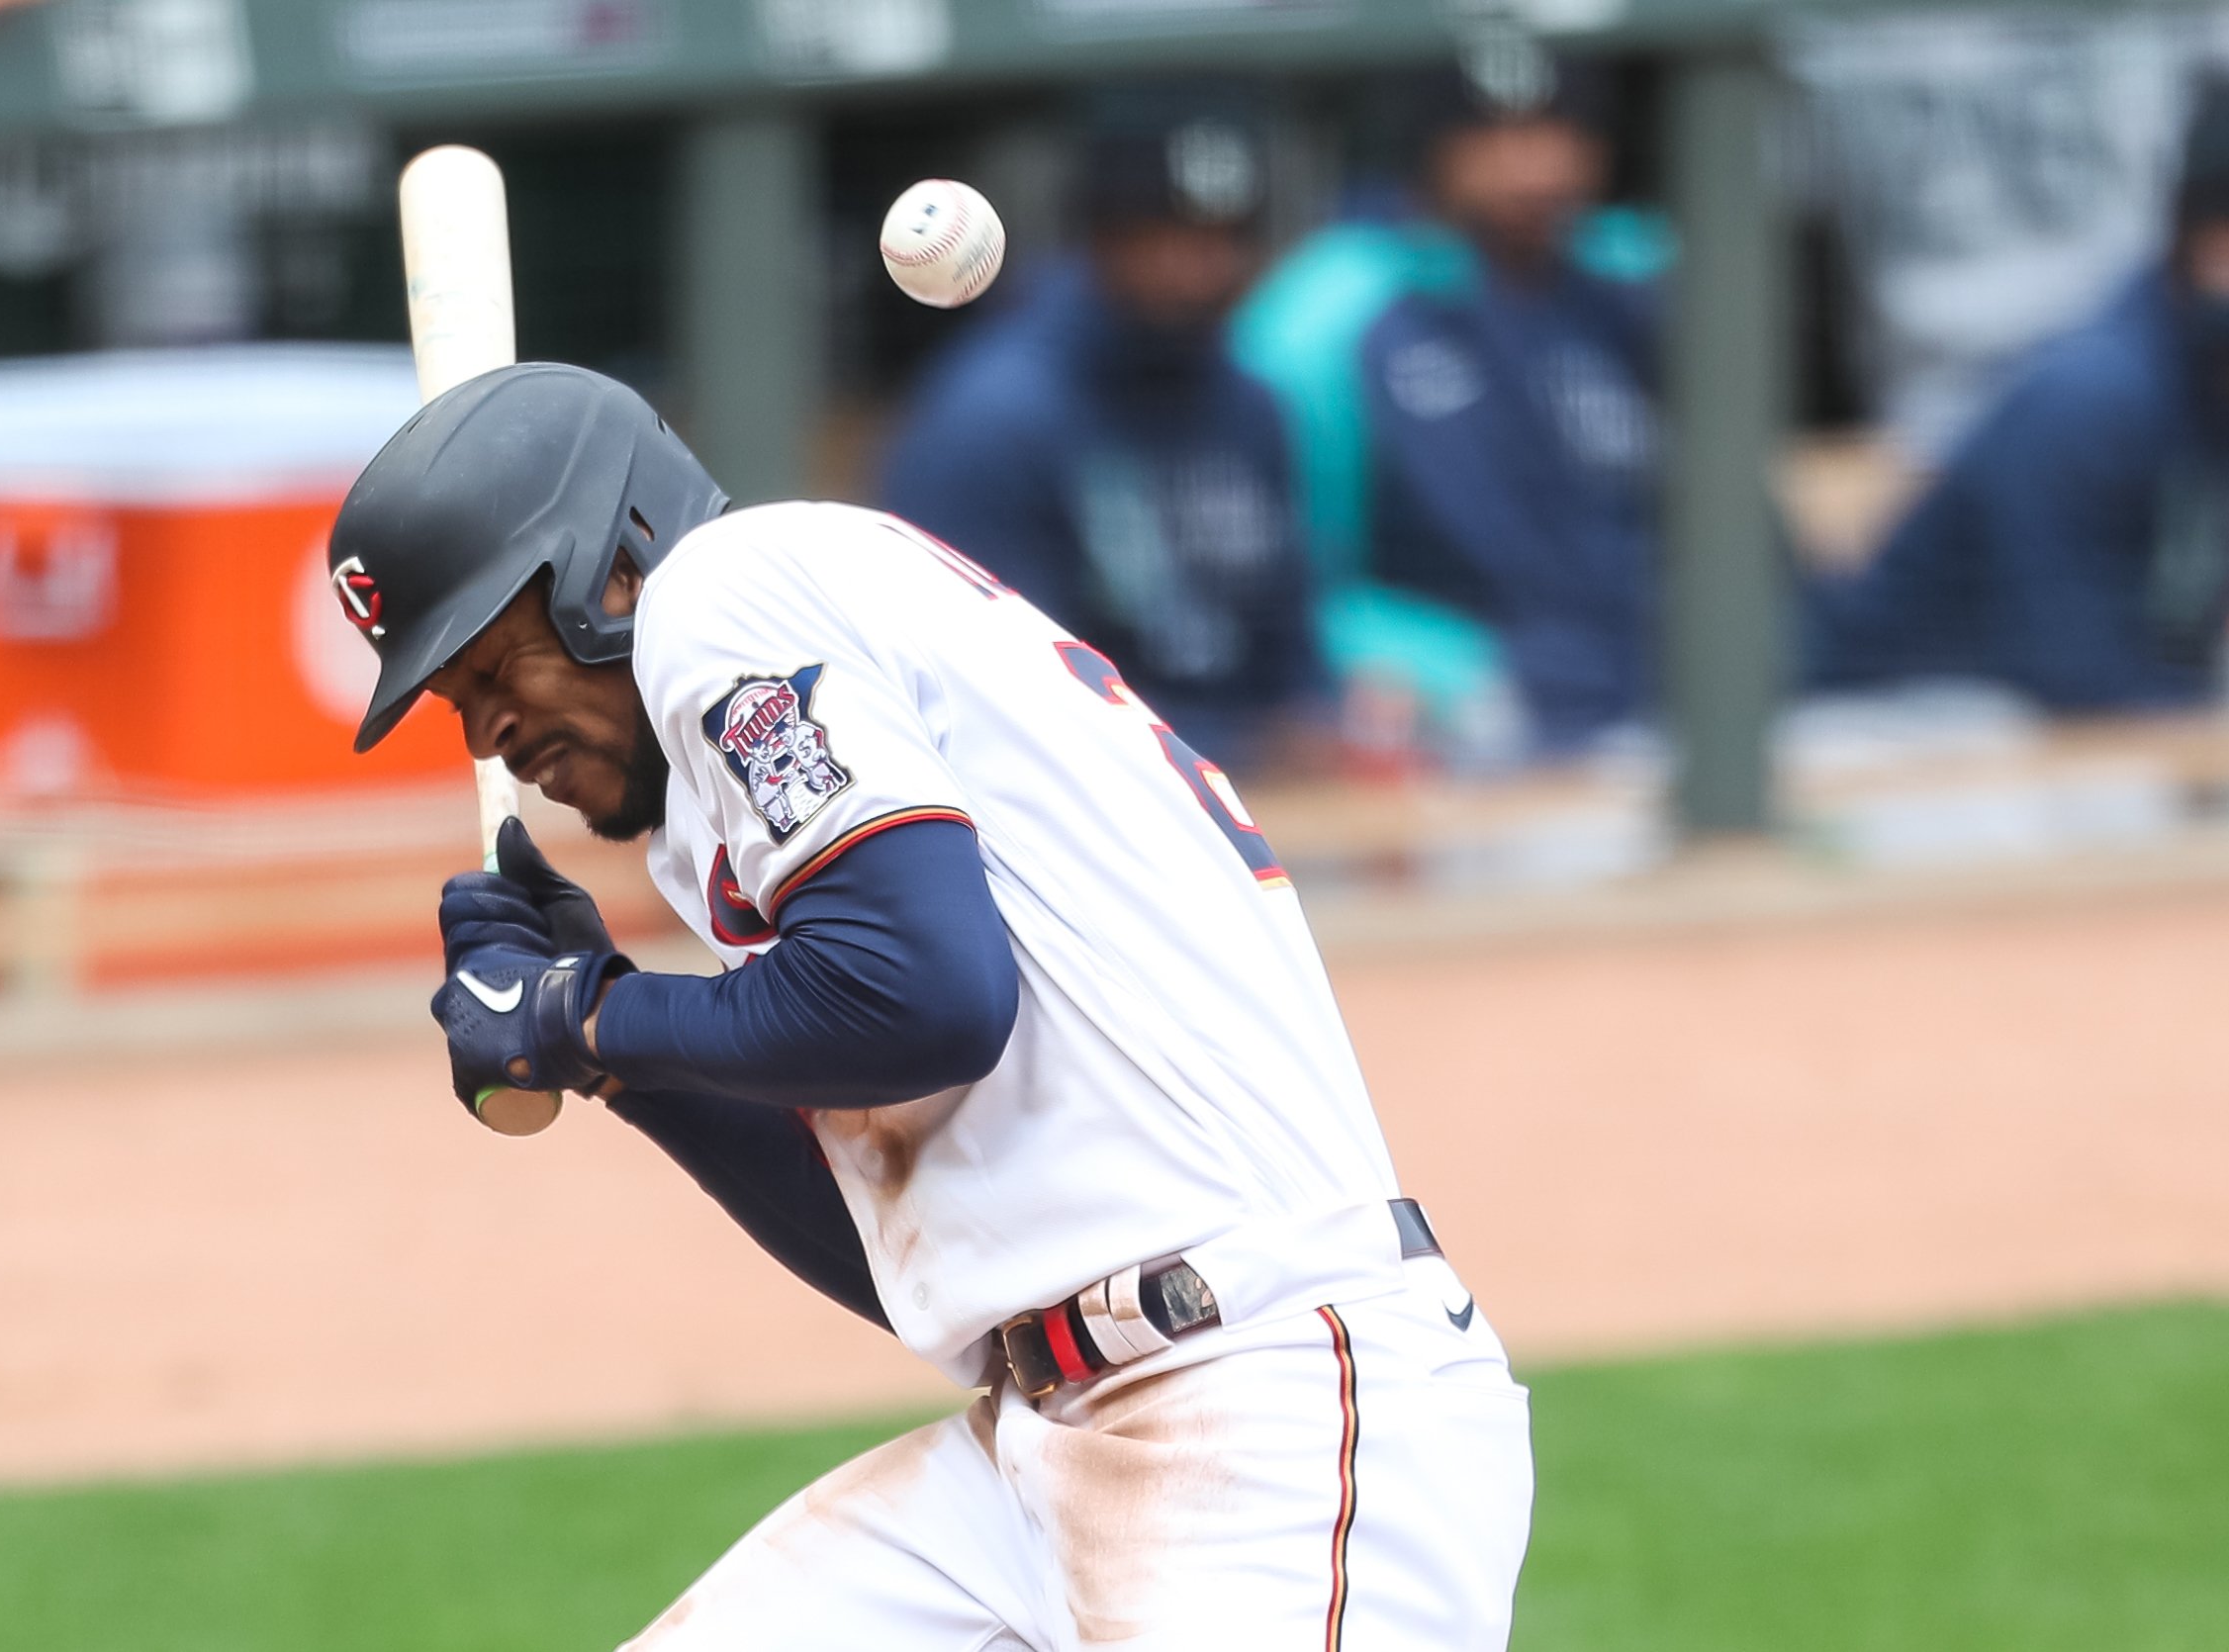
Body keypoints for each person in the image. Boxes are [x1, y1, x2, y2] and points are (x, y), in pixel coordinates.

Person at [329, 362, 1532, 1650]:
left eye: (495, 660)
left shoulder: (722, 590)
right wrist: (623, 1052)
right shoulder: (760, 794)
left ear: (617, 557)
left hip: (1263, 1419)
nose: (490, 732)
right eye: (456, 701)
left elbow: (928, 997)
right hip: (1044, 1445)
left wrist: (587, 1016)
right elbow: (906, 1243)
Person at [1236, 52, 1668, 761]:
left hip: (1667, 696)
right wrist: (1457, 676)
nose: (1537, 168)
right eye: (1494, 133)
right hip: (1475, 722)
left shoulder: (1635, 274)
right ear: (1431, 142)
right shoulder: (1329, 306)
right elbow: (1281, 588)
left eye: (1560, 130)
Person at [879, 100, 1325, 775]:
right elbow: (1000, 708)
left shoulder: (1249, 404)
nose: (1198, 268)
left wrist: (1323, 724)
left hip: (1250, 793)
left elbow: (1291, 654)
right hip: (1067, 805)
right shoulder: (994, 416)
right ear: (1099, 241)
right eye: (1165, 237)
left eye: (1224, 238)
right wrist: (1249, 749)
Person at [1805, 81, 2229, 710]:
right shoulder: (2093, 394)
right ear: (2204, 237)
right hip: (1886, 725)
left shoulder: (2202, 368)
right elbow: (2076, 676)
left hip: (2044, 745)